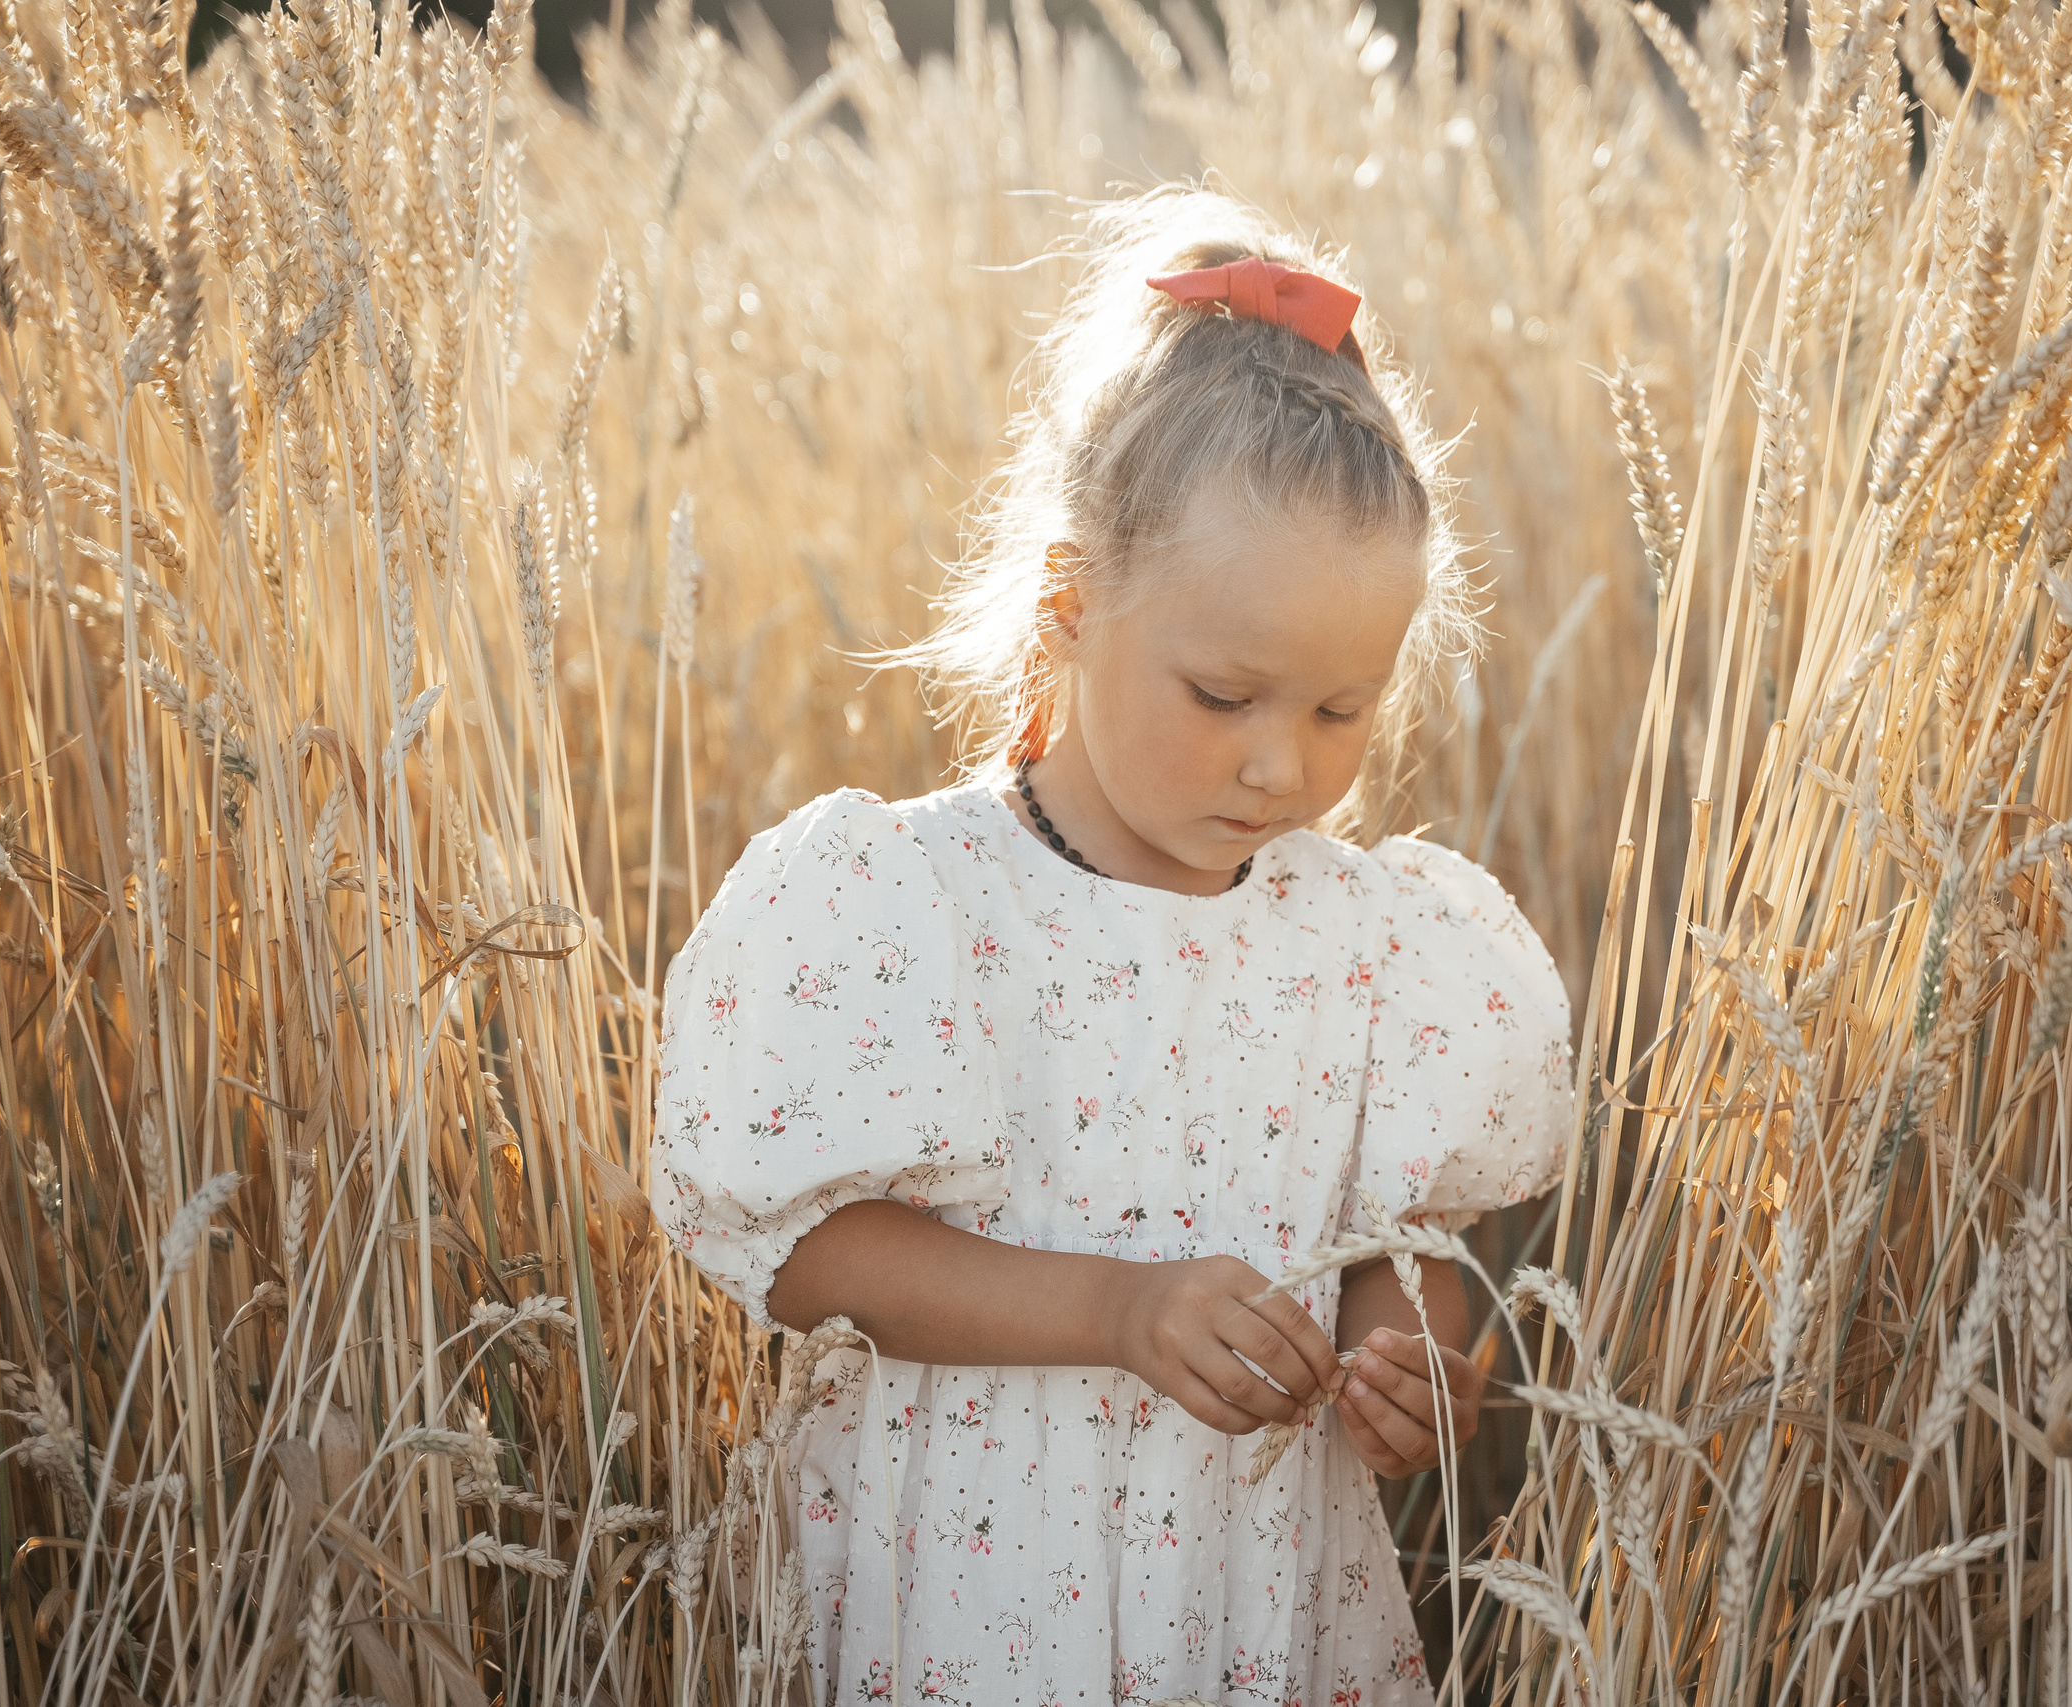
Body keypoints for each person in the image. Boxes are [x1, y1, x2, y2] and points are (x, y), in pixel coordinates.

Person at [652, 185, 1573, 1706]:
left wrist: (1421, 1359)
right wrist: (1118, 1311)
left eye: (1343, 711)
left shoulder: (1370, 942)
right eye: (1226, 698)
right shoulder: (916, 906)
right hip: (968, 1587)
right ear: (1074, 606)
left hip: (1258, 1595)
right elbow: (809, 1258)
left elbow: (1400, 1244)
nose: (1284, 767)